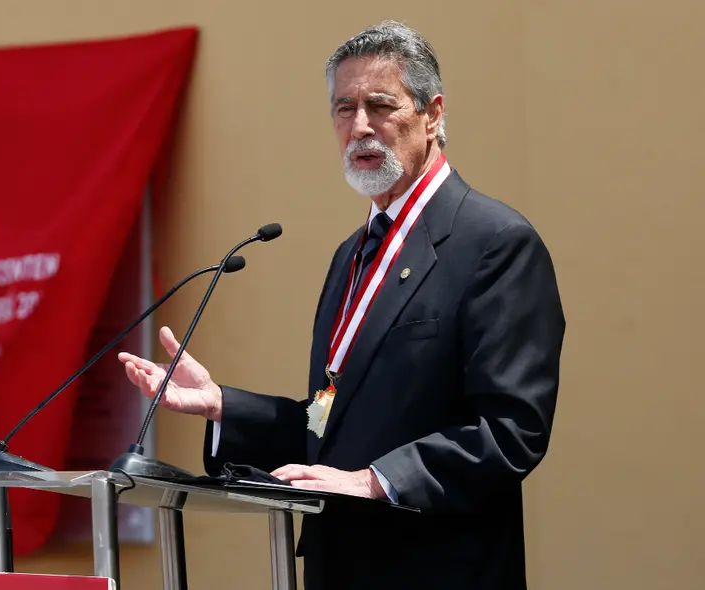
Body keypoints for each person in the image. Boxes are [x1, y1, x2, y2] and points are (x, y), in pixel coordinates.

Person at [118, 20, 565, 590]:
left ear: (432, 114)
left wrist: (375, 481)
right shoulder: (351, 256)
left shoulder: (494, 243)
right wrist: (223, 406)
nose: (359, 126)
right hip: (341, 566)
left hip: (438, 569)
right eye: (343, 108)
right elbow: (328, 422)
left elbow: (510, 430)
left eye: (380, 105)